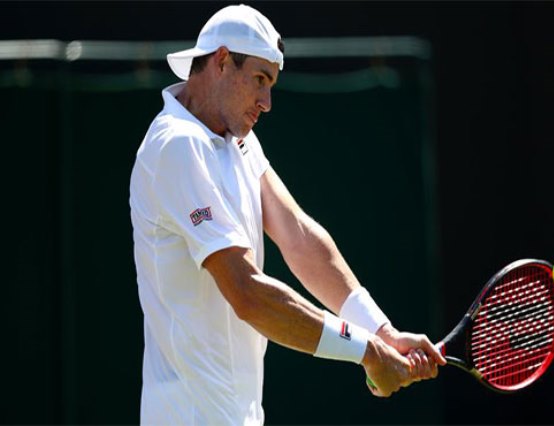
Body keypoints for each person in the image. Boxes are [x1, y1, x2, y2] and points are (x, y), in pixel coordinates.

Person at [129, 4, 446, 425]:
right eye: (260, 80)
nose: (267, 102)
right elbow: (248, 294)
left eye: (271, 84)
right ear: (222, 61)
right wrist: (366, 352)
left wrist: (381, 332)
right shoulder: (177, 145)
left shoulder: (236, 137)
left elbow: (297, 234)